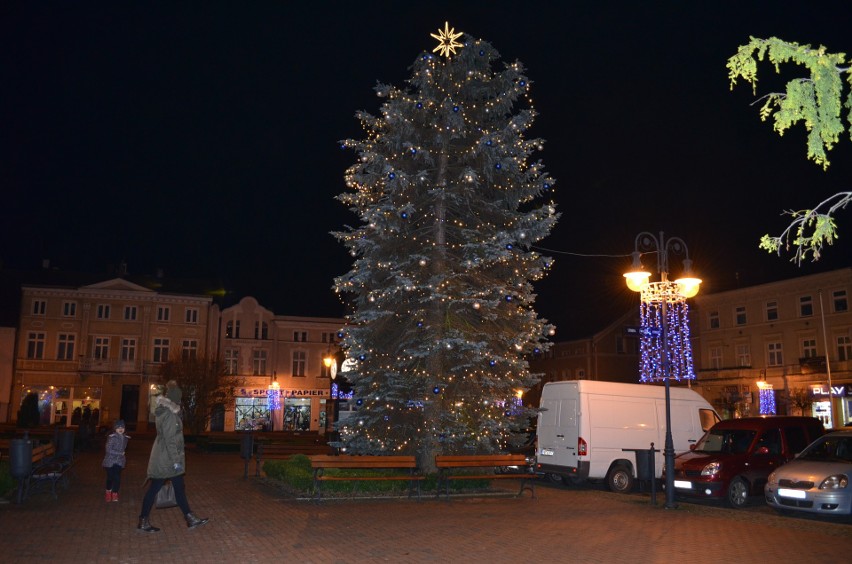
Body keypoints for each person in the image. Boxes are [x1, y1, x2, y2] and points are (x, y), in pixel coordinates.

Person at [137, 381, 209, 533]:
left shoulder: (167, 411)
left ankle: (190, 517)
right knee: (155, 488)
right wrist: (176, 461)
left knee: (179, 487)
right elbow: (170, 440)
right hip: (166, 459)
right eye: (180, 398)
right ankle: (143, 521)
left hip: (164, 456)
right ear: (176, 399)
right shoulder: (169, 414)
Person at [102, 419, 129, 502]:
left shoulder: (125, 438)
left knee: (117, 477)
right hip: (110, 461)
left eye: (122, 427)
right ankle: (108, 491)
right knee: (110, 477)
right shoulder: (112, 437)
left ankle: (114, 493)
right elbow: (108, 449)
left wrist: (121, 455)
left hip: (119, 461)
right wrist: (120, 453)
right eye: (118, 427)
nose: (120, 429)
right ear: (115, 428)